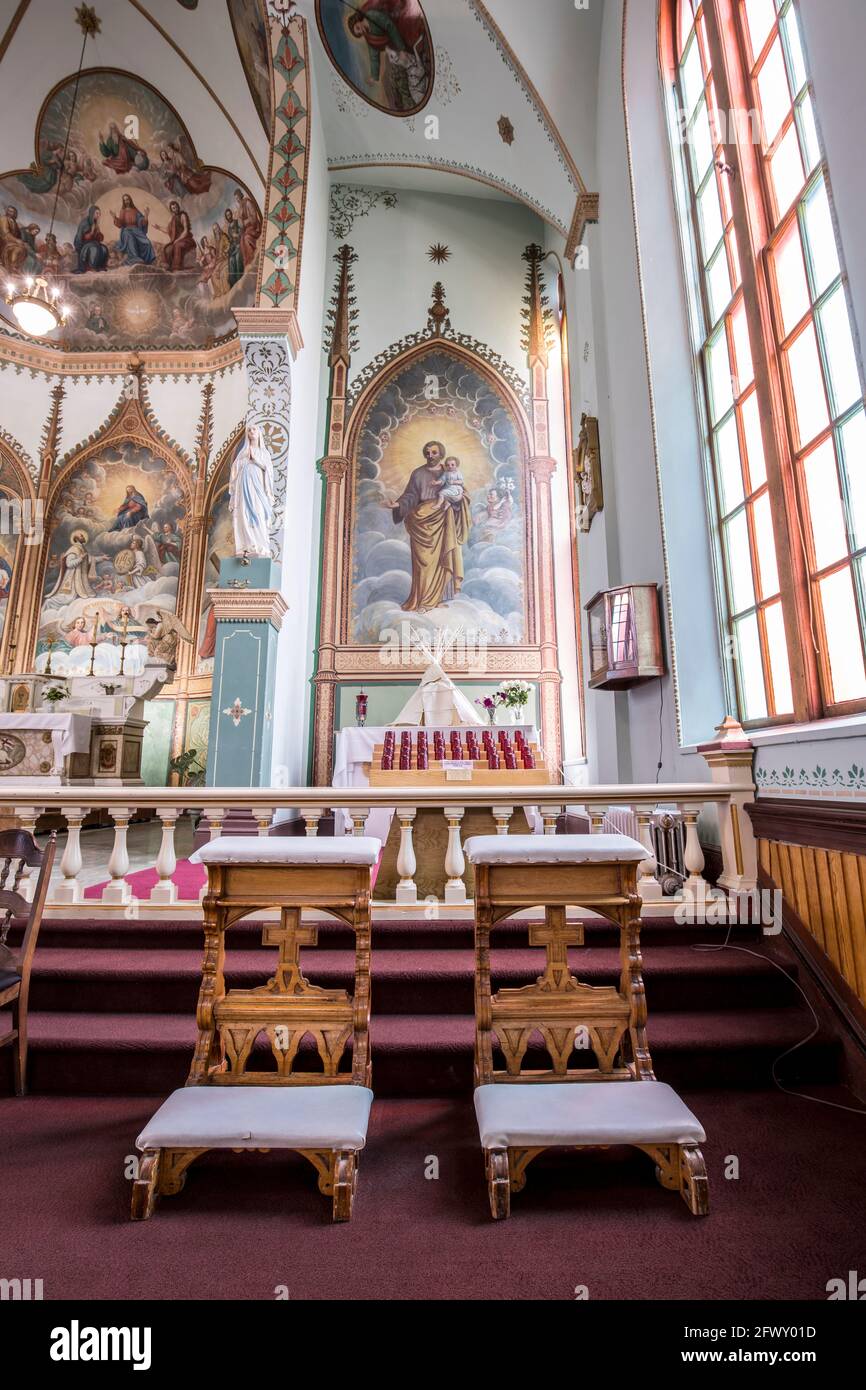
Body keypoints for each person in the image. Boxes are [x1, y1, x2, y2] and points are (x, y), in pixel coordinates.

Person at [391, 440, 471, 611]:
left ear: (441, 454)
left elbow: (461, 492)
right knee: (423, 564)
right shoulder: (418, 473)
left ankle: (437, 600)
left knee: (443, 559)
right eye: (427, 453)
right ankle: (422, 601)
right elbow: (410, 496)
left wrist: (458, 499)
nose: (430, 456)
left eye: (434, 452)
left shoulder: (449, 471)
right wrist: (397, 505)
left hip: (443, 519)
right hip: (421, 521)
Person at [229, 424, 274, 558]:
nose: (251, 431)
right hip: (243, 488)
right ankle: (246, 545)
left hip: (258, 489)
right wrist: (244, 459)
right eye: (249, 430)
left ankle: (260, 545)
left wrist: (256, 460)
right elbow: (235, 471)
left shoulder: (264, 453)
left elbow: (269, 471)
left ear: (259, 433)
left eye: (254, 429)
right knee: (243, 513)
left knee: (259, 512)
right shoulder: (243, 453)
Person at [112, 194, 155, 266]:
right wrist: (114, 217)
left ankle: (146, 261)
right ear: (123, 202)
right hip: (126, 230)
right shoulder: (123, 211)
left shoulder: (135, 211)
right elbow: (120, 224)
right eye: (125, 200)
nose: (126, 201)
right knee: (130, 237)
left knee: (147, 242)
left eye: (127, 199)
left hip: (136, 230)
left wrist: (146, 216)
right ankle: (134, 258)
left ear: (130, 200)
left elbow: (142, 222)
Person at [157, 201, 195, 272]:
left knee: (177, 245)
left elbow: (186, 231)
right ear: (171, 210)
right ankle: (167, 266)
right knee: (166, 248)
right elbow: (168, 230)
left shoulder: (182, 215)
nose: (175, 209)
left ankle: (176, 268)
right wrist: (159, 228)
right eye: (173, 208)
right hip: (176, 240)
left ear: (178, 207)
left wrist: (177, 240)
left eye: (176, 207)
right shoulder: (173, 219)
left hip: (186, 239)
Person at [73, 205, 109, 272]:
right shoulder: (85, 222)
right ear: (92, 213)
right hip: (83, 244)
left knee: (104, 248)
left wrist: (98, 232)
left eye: (99, 214)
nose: (98, 215)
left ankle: (100, 266)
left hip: (93, 242)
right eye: (97, 213)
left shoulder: (94, 222)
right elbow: (83, 237)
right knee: (94, 248)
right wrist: (92, 232)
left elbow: (100, 238)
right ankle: (91, 267)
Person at [233, 188, 261, 268]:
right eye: (236, 199)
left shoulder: (247, 202)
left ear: (240, 195)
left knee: (246, 238)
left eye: (237, 198)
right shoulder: (240, 208)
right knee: (241, 241)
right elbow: (241, 222)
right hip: (247, 229)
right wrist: (239, 222)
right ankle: (248, 262)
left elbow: (254, 216)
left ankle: (252, 258)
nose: (237, 200)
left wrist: (246, 222)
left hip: (254, 227)